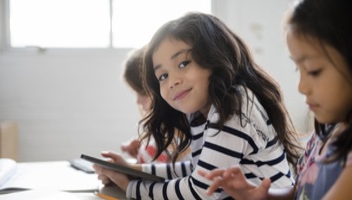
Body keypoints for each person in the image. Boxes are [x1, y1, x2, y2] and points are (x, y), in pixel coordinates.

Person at [93, 12, 302, 199]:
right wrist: (131, 170)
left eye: (183, 64)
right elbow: (198, 170)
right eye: (163, 76)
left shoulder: (233, 105)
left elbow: (200, 191)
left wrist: (129, 187)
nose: (172, 81)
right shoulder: (204, 111)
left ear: (214, 57)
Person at [199, 0, 352, 199]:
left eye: (314, 71)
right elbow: (300, 192)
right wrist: (260, 195)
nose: (301, 86)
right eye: (299, 69)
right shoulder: (323, 134)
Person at [120, 46, 191, 164]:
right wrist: (140, 153)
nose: (137, 101)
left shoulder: (174, 140)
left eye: (142, 93)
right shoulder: (162, 134)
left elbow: (155, 174)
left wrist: (127, 170)